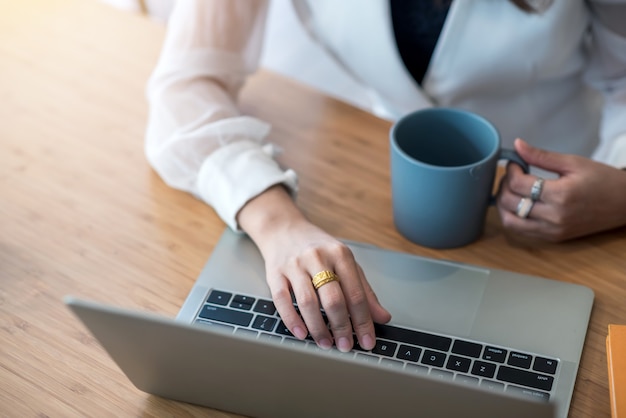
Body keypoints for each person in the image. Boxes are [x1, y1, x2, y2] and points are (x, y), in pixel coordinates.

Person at [144, 0, 626, 352]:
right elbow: (183, 90)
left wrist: (621, 187)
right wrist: (279, 224)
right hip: (377, 179)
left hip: (566, 207)